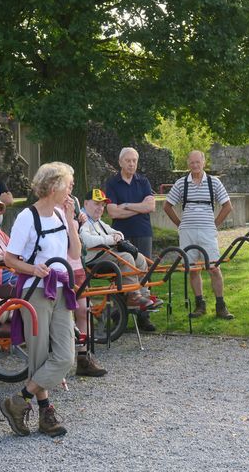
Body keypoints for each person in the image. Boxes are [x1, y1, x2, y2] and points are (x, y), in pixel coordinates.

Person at [0, 162, 81, 438]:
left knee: (65, 356)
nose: (71, 188)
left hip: (60, 287)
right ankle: (46, 413)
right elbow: (9, 258)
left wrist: (71, 220)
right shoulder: (27, 217)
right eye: (68, 183)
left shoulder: (61, 214)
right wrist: (33, 268)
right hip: (35, 289)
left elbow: (75, 252)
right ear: (53, 185)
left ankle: (18, 400)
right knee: (39, 356)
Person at [164, 150, 234, 320]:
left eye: (198, 162)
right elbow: (167, 206)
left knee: (214, 268)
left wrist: (214, 224)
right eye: (192, 162)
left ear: (204, 162)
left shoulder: (214, 183)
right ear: (188, 163)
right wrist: (181, 225)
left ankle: (220, 306)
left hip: (207, 231)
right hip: (187, 232)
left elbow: (227, 206)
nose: (195, 165)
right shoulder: (181, 183)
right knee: (193, 269)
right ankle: (199, 305)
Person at [80, 188, 160, 331]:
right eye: (97, 203)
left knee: (140, 258)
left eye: (102, 205)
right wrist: (112, 239)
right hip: (93, 259)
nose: (100, 208)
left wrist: (117, 236)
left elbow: (117, 232)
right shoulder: (83, 219)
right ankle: (133, 296)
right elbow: (87, 241)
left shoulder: (97, 221)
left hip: (104, 254)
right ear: (86, 203)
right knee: (127, 257)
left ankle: (144, 295)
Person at [61, 192, 106, 377]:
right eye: (67, 183)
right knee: (63, 313)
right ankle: (59, 359)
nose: (70, 188)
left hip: (77, 265)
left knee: (84, 310)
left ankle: (83, 357)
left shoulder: (74, 203)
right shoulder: (50, 208)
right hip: (61, 267)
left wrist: (77, 221)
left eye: (71, 184)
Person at [105, 147, 155, 258]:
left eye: (134, 161)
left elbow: (150, 206)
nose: (131, 164)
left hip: (143, 232)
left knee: (145, 270)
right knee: (125, 270)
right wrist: (141, 208)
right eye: (128, 161)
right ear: (120, 162)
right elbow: (113, 212)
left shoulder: (143, 182)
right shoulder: (112, 183)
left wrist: (126, 206)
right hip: (121, 234)